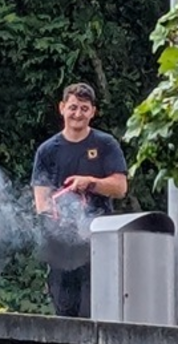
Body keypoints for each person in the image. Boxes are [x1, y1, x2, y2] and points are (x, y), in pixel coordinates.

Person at [30, 82, 128, 318]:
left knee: (97, 310)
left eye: (84, 108)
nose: (77, 114)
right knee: (64, 313)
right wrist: (57, 214)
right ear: (62, 108)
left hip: (98, 240)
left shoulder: (106, 145)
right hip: (62, 245)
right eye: (73, 107)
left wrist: (90, 182)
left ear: (92, 112)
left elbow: (120, 188)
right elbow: (41, 202)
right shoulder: (47, 150)